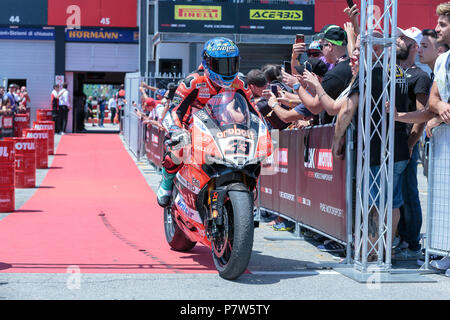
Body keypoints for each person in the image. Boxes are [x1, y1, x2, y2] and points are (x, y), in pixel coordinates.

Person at [332, 35, 411, 262]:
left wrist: (337, 140)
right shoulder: (398, 71)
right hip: (397, 148)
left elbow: (346, 110)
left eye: (359, 49)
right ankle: (387, 248)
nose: (356, 54)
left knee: (374, 202)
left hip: (377, 149)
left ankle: (372, 249)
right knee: (393, 201)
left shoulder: (370, 73)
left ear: (375, 48)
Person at [156, 37, 254, 207]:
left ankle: (246, 198)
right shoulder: (193, 81)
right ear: (207, 63)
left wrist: (262, 128)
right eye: (222, 64)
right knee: (179, 148)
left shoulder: (240, 84)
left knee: (252, 156)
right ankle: (166, 183)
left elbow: (253, 112)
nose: (228, 69)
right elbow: (174, 110)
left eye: (232, 63)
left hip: (225, 129)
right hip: (190, 128)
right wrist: (177, 131)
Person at [392, 26, 432, 260]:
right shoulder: (392, 71)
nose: (398, 40)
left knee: (408, 193)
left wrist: (410, 143)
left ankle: (412, 242)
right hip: (390, 143)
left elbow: (422, 116)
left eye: (404, 39)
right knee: (396, 194)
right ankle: (399, 238)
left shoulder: (420, 76)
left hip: (406, 143)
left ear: (414, 46)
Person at [427, 2, 450, 276]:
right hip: (444, 144)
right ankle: (447, 252)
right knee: (445, 200)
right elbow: (434, 97)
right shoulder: (443, 59)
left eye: (442, 24)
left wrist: (441, 114)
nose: (436, 28)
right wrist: (439, 109)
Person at [296, 25, 353, 124]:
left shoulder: (334, 74)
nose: (321, 51)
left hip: (337, 133)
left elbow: (315, 108)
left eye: (321, 47)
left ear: (330, 47)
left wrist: (297, 86)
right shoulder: (352, 68)